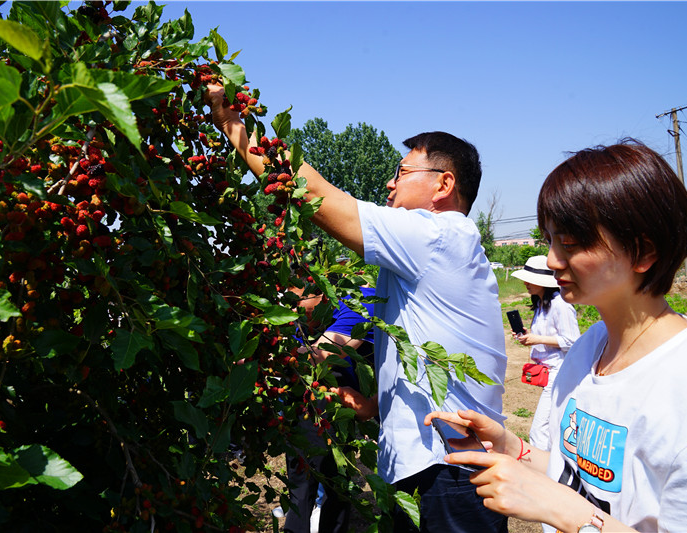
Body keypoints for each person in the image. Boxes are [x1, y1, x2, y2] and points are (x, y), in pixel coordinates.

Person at [205, 86, 508, 532]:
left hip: (451, 471)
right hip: (436, 466)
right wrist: (375, 407)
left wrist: (233, 124)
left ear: (443, 185)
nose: (390, 183)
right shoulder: (432, 252)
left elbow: (313, 195)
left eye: (401, 172)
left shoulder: (436, 235)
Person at [425, 141, 687, 533]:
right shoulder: (589, 348)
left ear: (642, 252)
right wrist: (510, 446)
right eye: (549, 240)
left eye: (570, 243)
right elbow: (572, 474)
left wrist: (565, 512)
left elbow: (567, 503)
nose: (552, 260)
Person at [284, 285, 375, 533]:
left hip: (341, 400)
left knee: (336, 483)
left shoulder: (359, 305)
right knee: (300, 483)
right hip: (306, 399)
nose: (292, 311)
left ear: (321, 293)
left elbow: (316, 356)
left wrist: (265, 357)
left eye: (297, 301)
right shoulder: (298, 320)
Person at [510, 255, 580, 450]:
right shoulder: (542, 303)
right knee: (551, 425)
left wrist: (537, 339)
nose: (525, 283)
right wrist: (528, 336)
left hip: (559, 370)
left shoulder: (560, 304)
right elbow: (548, 335)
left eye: (530, 280)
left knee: (539, 430)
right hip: (547, 371)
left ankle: (541, 465)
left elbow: (573, 340)